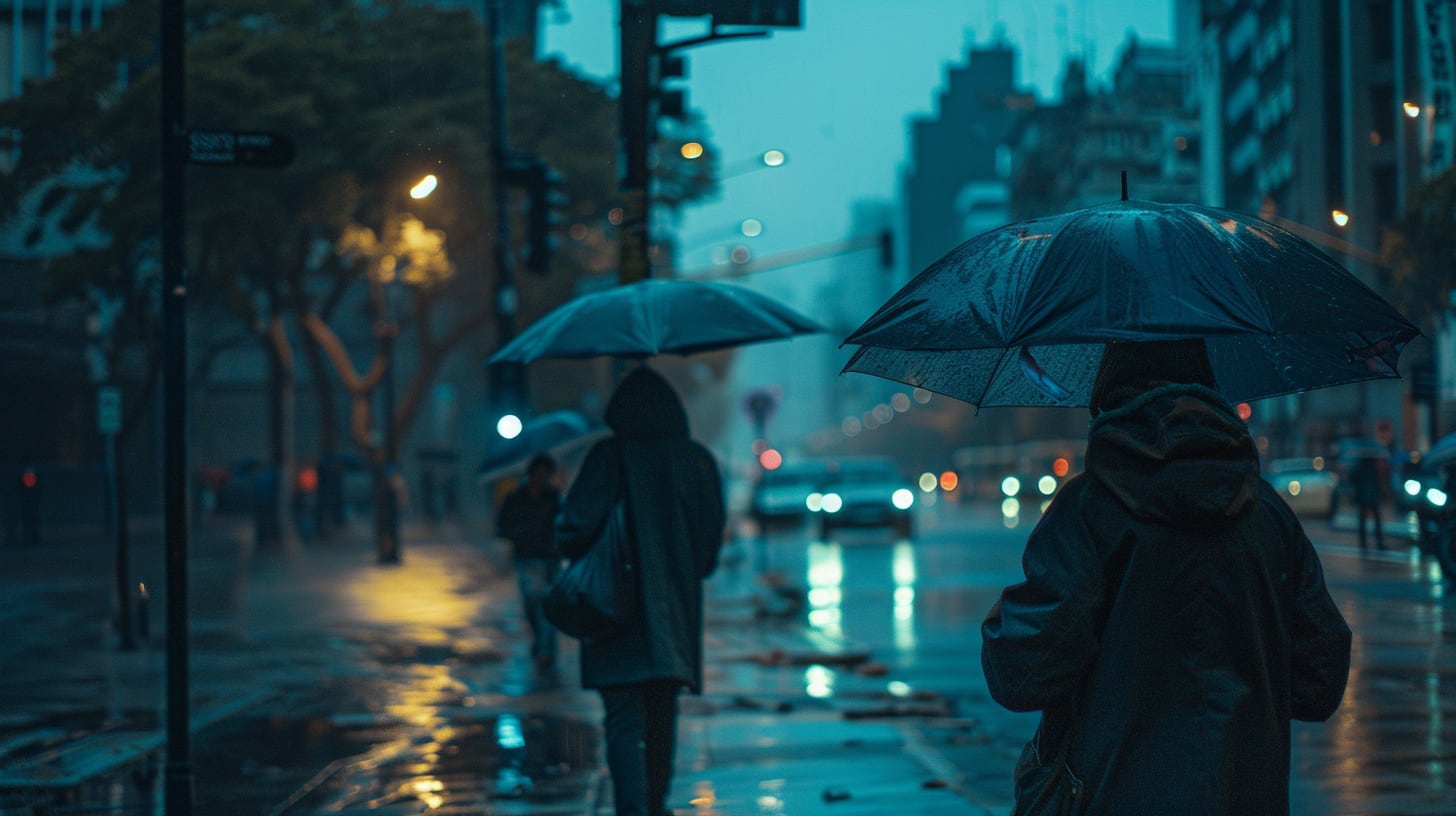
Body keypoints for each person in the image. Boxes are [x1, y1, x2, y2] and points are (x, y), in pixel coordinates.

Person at [981, 339, 1352, 816]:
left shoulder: (1089, 511)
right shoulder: (1270, 515)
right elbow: (1319, 681)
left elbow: (1021, 674)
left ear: (1107, 391)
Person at [555, 366, 725, 816]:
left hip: (614, 612)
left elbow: (571, 532)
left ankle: (631, 809)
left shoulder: (606, 457)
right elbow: (708, 555)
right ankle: (655, 805)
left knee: (622, 720)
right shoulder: (697, 460)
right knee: (662, 715)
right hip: (674, 616)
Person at [496, 454, 563, 671]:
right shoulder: (515, 498)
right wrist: (519, 534)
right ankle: (542, 644)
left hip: (550, 558)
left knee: (548, 604)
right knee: (532, 603)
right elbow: (501, 527)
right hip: (526, 558)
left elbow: (566, 523)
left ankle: (546, 649)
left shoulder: (555, 498)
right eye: (539, 472)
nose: (542, 477)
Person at [1350, 449, 1387, 550]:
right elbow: (1377, 485)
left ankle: (1364, 542)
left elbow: (1354, 481)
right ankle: (1377, 542)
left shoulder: (1360, 469)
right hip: (1370, 498)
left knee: (1364, 521)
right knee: (1375, 520)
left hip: (1365, 497)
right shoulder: (1372, 470)